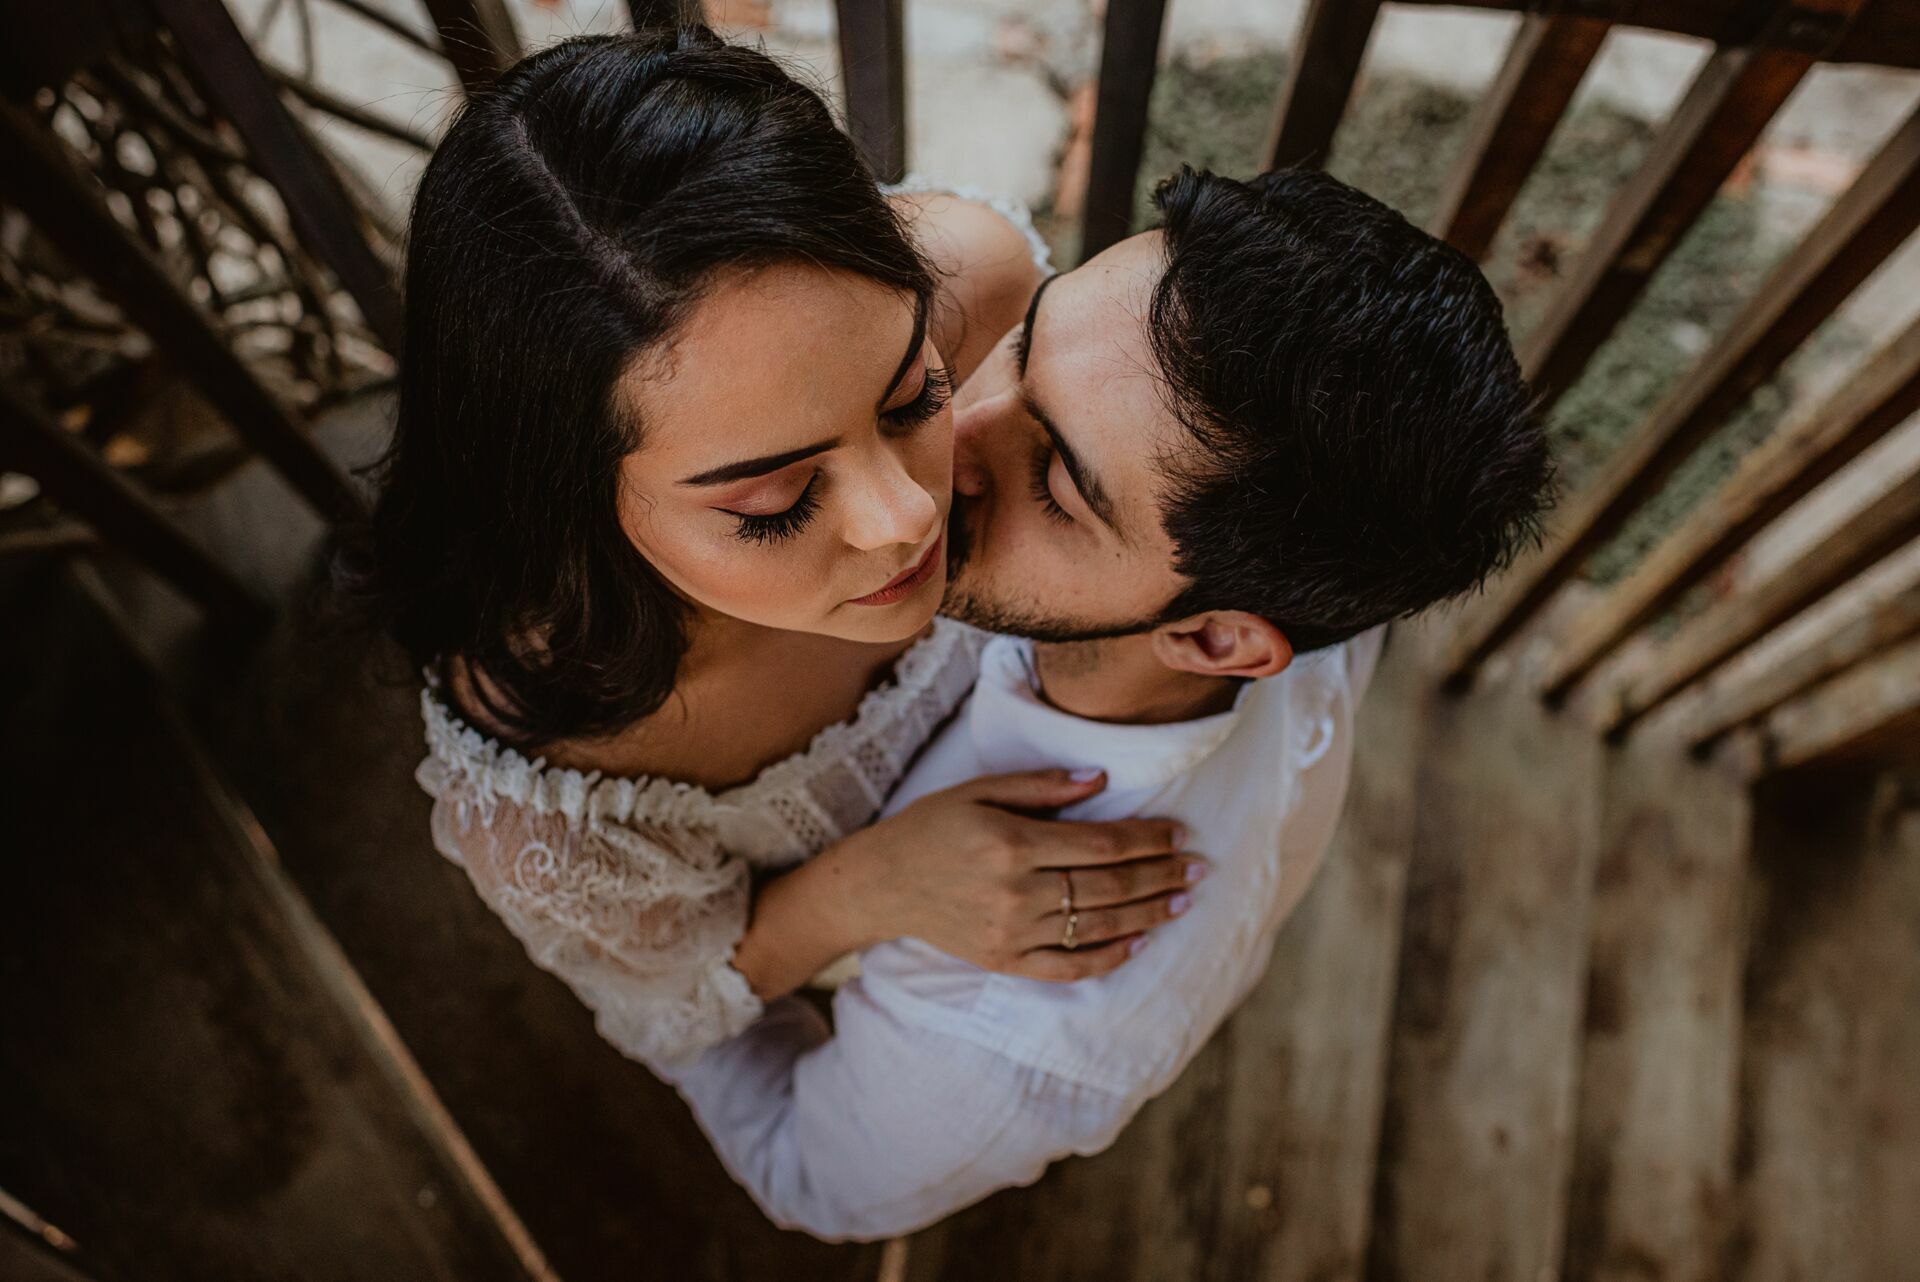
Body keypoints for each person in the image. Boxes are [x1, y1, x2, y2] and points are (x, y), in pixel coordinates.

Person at [652, 166, 1556, 1239]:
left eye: (1059, 485)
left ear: (1216, 638)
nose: (940, 448)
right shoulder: (1313, 581)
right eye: (1029, 342)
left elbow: (805, 1170)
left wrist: (843, 903)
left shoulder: (1008, 1040)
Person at [344, 27, 1196, 1073]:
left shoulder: (986, 293)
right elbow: (668, 1005)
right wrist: (872, 887)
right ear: (569, 503)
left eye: (914, 396)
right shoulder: (558, 780)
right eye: (777, 499)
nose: (906, 518)